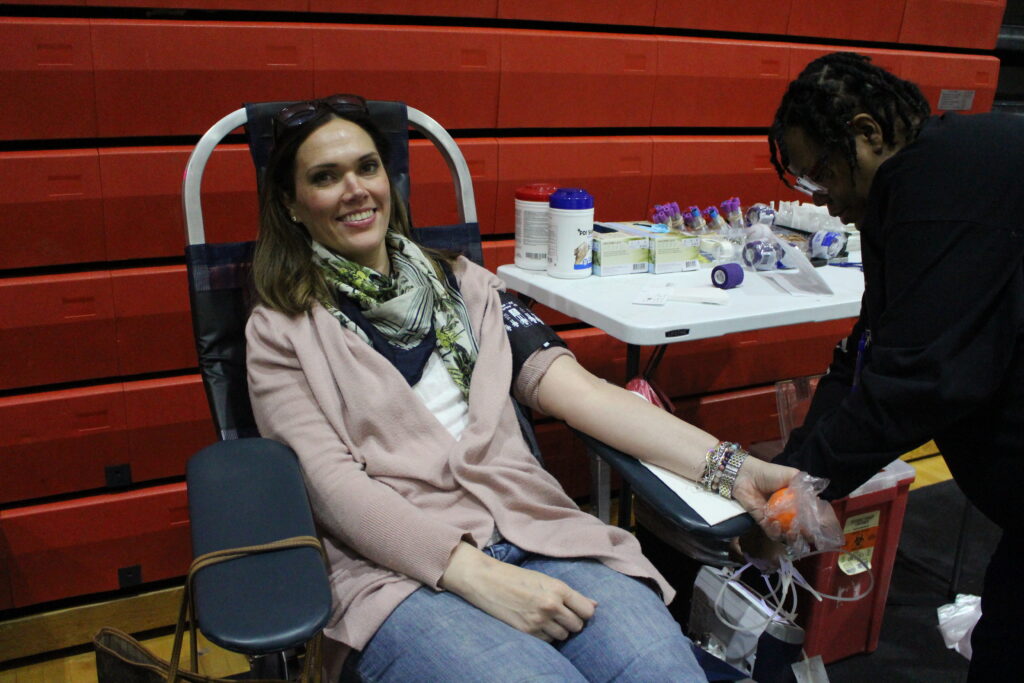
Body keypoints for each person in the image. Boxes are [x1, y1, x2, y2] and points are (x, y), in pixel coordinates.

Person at [245, 93, 810, 682]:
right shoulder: (281, 330)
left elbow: (585, 394)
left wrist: (738, 471)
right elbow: (333, 486)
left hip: (537, 531)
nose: (356, 189)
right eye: (325, 177)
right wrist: (475, 573)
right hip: (397, 574)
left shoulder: (466, 287)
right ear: (291, 203)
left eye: (367, 167)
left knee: (666, 672)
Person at [767, 52, 1024, 681]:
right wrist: (790, 471)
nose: (822, 202)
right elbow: (870, 349)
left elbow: (920, 379)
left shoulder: (938, 184)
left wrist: (800, 489)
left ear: (868, 133)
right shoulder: (920, 184)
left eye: (822, 174)